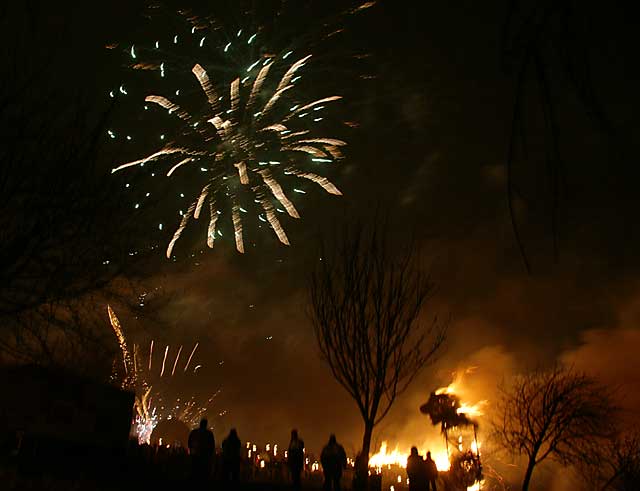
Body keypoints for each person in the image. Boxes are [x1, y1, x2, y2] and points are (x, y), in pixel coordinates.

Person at [188, 418, 215, 484]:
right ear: (206, 424)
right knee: (204, 472)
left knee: (195, 471)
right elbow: (212, 445)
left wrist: (191, 451)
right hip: (205, 456)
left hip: (195, 455)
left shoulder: (194, 432)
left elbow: (189, 443)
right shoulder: (209, 434)